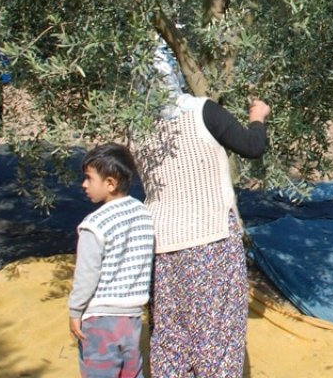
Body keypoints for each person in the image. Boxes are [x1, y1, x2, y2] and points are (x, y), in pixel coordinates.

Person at [133, 47, 270, 378]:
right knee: (216, 339)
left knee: (170, 336)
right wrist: (258, 117)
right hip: (212, 241)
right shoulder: (200, 111)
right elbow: (252, 147)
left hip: (162, 245)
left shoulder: (136, 127)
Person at [68, 143, 155, 378]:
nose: (83, 185)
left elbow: (87, 274)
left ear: (110, 183)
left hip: (100, 320)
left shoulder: (94, 224)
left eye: (88, 178)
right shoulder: (143, 214)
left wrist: (75, 311)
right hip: (132, 318)